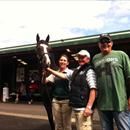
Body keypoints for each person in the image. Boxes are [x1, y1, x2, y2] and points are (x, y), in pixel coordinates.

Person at [46, 50, 97, 130]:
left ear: (88, 59)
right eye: (79, 57)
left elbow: (93, 89)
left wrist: (89, 107)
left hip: (84, 108)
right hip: (77, 107)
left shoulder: (89, 71)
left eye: (83, 57)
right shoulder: (76, 70)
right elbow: (63, 76)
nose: (80, 59)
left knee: (83, 128)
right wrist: (49, 70)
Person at [92, 34, 130, 130]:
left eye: (107, 41)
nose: (105, 43)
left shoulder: (121, 55)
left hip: (120, 102)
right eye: (102, 42)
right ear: (98, 45)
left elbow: (129, 77)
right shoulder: (95, 58)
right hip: (102, 104)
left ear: (112, 43)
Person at [45, 54, 73, 130]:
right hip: (55, 101)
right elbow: (45, 81)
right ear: (59, 61)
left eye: (64, 60)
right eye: (61, 60)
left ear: (67, 63)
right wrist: (43, 74)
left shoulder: (70, 72)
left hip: (66, 101)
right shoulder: (55, 73)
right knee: (58, 125)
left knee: (66, 124)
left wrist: (49, 69)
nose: (62, 61)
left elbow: (62, 76)